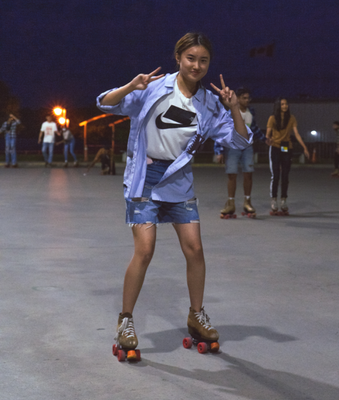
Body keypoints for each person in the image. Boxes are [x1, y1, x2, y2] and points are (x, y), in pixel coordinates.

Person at [96, 32, 253, 357]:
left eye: (203, 60)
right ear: (178, 58)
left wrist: (234, 108)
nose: (197, 65)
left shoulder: (210, 104)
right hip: (145, 178)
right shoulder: (153, 87)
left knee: (195, 249)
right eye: (191, 58)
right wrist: (130, 87)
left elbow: (239, 142)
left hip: (178, 179)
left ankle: (196, 315)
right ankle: (125, 320)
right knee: (146, 250)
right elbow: (104, 103)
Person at [214, 87, 266, 218]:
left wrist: (265, 139)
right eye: (244, 98)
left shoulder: (250, 111)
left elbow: (253, 128)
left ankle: (247, 202)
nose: (247, 100)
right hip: (233, 147)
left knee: (248, 173)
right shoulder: (230, 111)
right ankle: (230, 203)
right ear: (238, 98)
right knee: (232, 174)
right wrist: (219, 150)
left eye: (248, 98)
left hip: (247, 146)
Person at [266, 98, 309, 215]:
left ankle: (283, 200)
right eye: (282, 104)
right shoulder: (272, 118)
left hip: (286, 147)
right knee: (275, 174)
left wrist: (304, 147)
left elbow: (296, 134)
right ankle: (274, 200)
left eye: (286, 104)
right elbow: (267, 134)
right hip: (275, 147)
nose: (285, 106)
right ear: (278, 106)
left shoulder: (291, 118)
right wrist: (268, 139)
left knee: (285, 175)